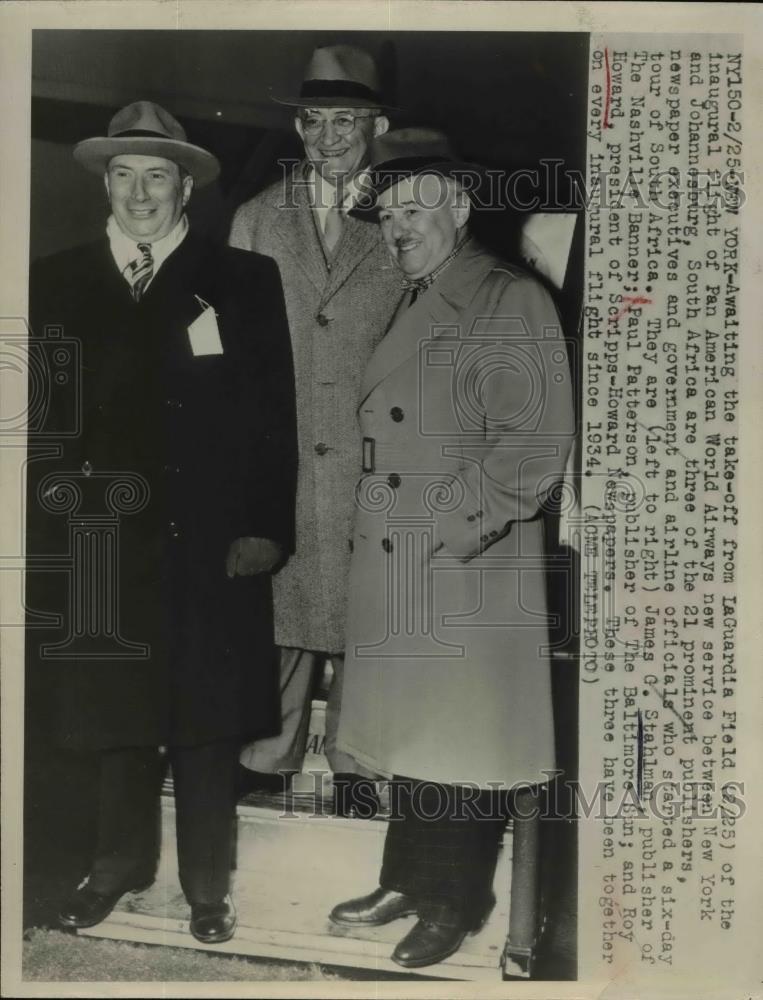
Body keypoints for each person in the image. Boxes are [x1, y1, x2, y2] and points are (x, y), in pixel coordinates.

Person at [26, 101, 297, 945]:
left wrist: (262, 526)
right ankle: (116, 867)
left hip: (208, 544)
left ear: (186, 187)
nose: (139, 192)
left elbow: (271, 417)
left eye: (156, 176)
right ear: (104, 184)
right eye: (123, 175)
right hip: (100, 541)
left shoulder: (244, 282)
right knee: (113, 717)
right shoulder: (53, 279)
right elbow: (39, 425)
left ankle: (206, 885)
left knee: (205, 721)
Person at [329, 129, 575, 968]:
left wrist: (444, 530)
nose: (397, 227)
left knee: (460, 743)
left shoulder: (507, 297)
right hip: (407, 559)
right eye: (387, 213)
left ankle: (456, 902)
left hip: (466, 563)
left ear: (460, 207)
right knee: (413, 735)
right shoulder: (419, 292)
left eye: (415, 207)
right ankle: (407, 875)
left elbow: (535, 449)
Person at [229, 45, 401, 812]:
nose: (329, 136)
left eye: (346, 120)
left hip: (377, 457)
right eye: (314, 120)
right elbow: (223, 346)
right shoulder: (255, 216)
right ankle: (267, 762)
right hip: (283, 457)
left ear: (377, 125)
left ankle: (360, 771)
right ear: (298, 127)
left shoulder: (411, 211)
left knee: (370, 613)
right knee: (282, 614)